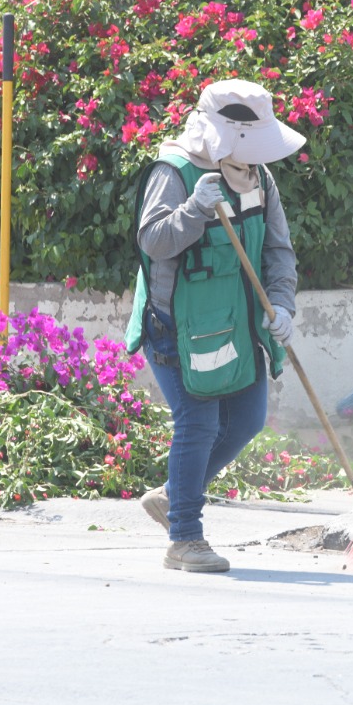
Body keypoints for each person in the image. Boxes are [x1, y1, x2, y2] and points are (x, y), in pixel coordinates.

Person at [125, 80, 305, 571]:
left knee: (246, 419)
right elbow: (153, 241)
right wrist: (194, 211)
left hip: (236, 325)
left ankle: (173, 495)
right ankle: (184, 537)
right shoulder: (176, 172)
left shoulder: (259, 178)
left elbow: (278, 250)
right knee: (199, 422)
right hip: (177, 327)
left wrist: (282, 305)